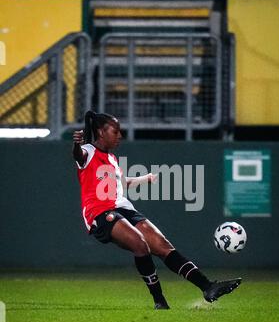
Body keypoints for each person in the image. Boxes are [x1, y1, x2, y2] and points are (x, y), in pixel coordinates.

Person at [73, 110, 241, 309]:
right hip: (99, 212)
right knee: (139, 244)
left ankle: (207, 286)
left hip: (122, 207)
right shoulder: (87, 151)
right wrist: (76, 143)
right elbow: (78, 155)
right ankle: (159, 300)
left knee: (162, 246)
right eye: (116, 131)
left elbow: (121, 183)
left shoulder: (112, 159)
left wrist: (145, 179)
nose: (120, 136)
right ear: (101, 132)